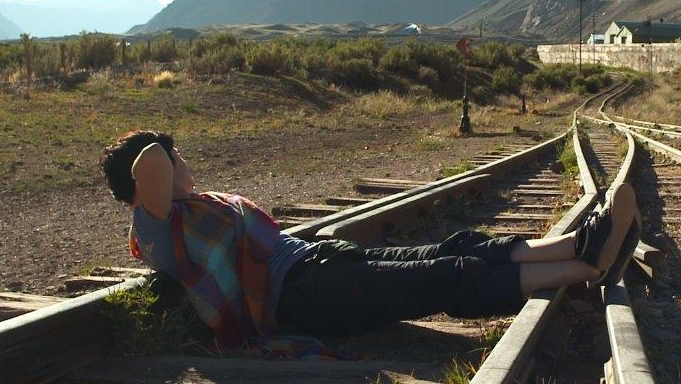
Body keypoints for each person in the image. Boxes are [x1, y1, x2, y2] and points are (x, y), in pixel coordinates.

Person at [100, 130, 639, 348]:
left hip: (317, 265)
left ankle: (577, 245)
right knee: (445, 279)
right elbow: (148, 166)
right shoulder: (155, 222)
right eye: (176, 157)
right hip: (303, 297)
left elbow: (156, 171)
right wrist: (156, 148)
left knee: (454, 248)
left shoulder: (185, 211)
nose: (182, 160)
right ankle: (588, 266)